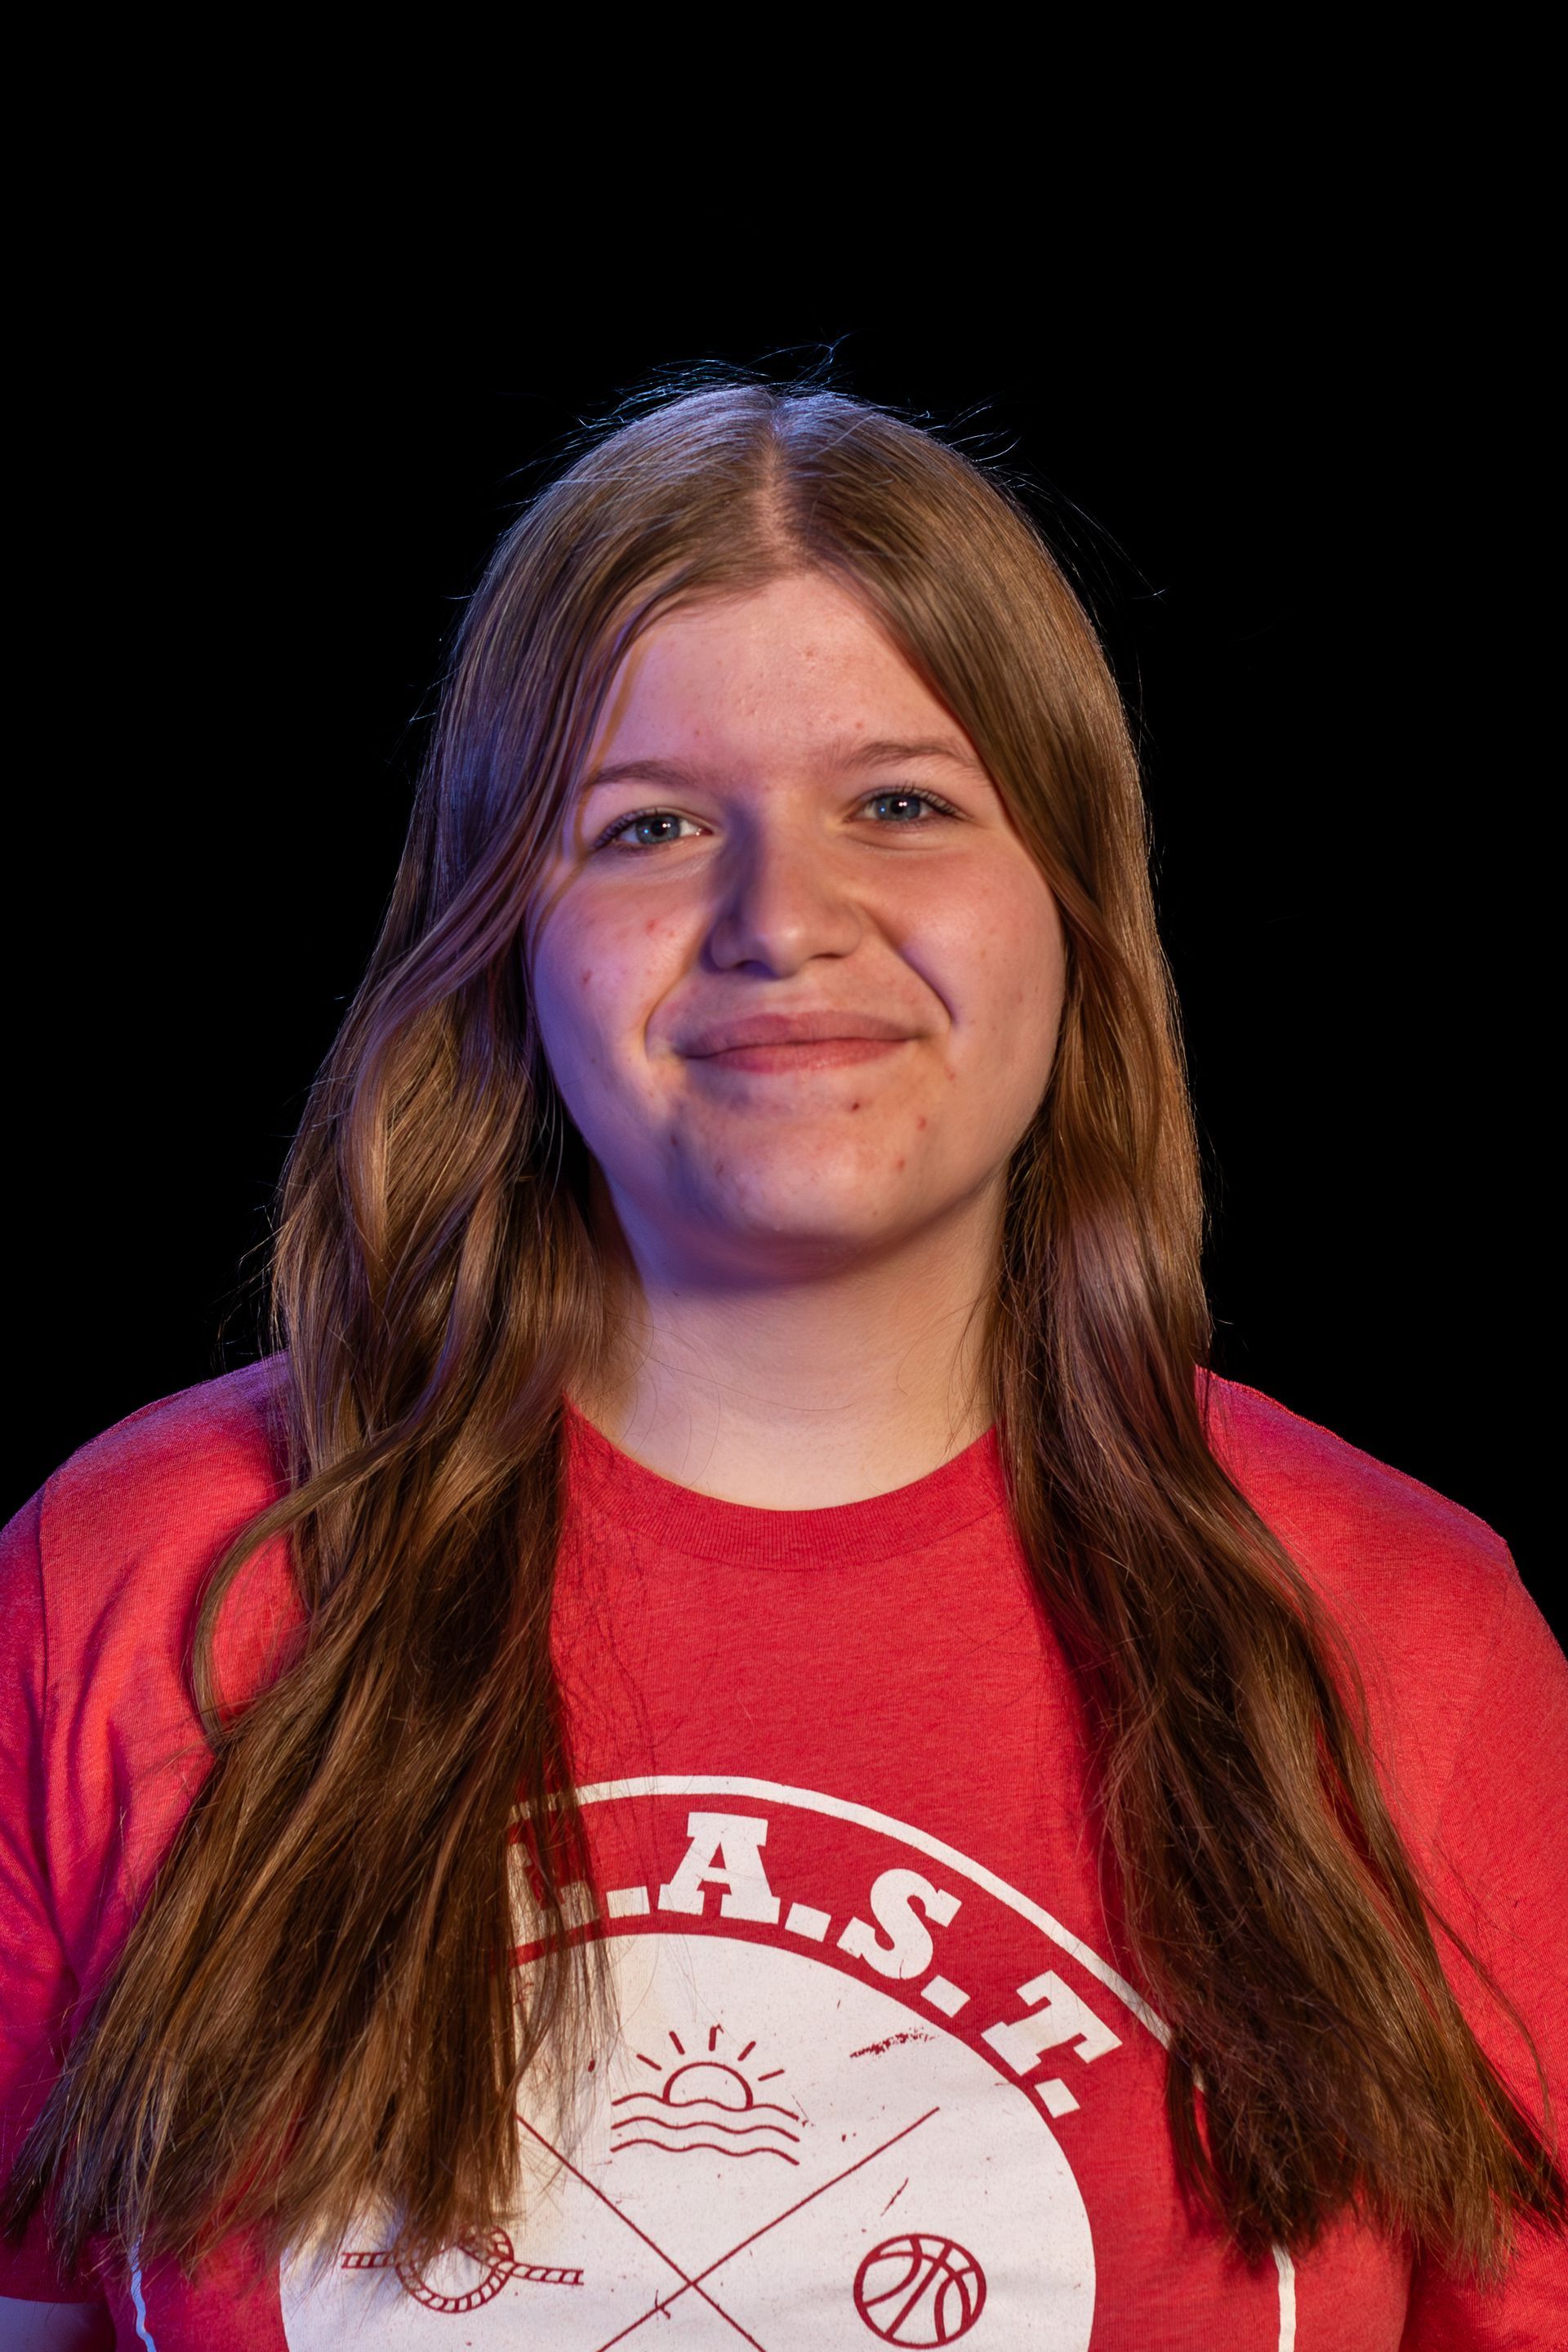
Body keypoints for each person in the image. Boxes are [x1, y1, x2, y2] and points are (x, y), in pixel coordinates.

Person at [2, 376, 1563, 2352]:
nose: (780, 921)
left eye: (901, 805)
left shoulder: (1406, 1630)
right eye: (648, 826)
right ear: (503, 940)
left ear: (1070, 908)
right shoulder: (134, 1582)